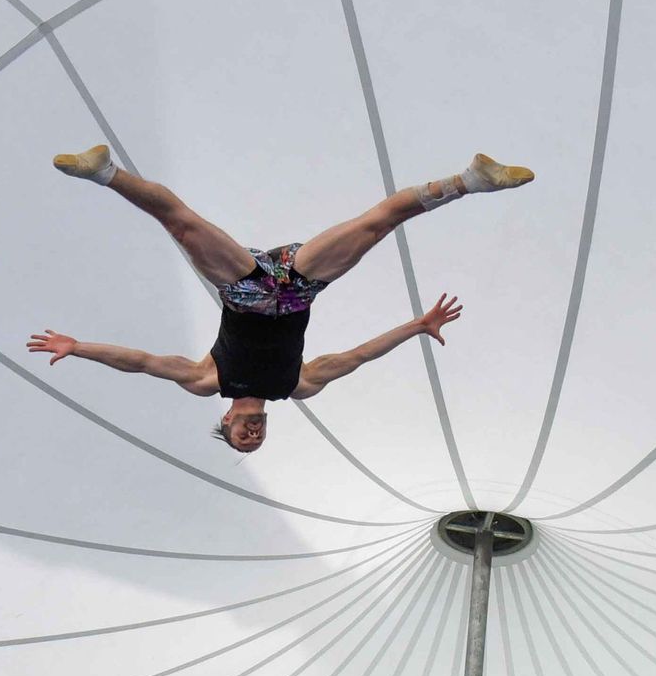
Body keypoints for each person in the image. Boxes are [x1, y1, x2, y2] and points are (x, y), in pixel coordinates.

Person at [30, 144, 533, 451]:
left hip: (244, 288)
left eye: (241, 438)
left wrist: (79, 348)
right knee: (376, 224)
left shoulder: (208, 381)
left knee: (183, 225)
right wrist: (416, 327)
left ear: (226, 421)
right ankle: (471, 181)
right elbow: (357, 357)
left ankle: (103, 172)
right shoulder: (299, 385)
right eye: (258, 440)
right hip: (299, 286)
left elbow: (140, 362)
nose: (252, 437)